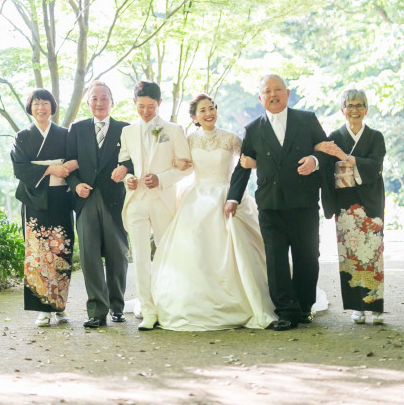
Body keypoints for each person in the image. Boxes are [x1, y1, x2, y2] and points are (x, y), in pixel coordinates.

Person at [151, 93, 276, 331]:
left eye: (212, 108)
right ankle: (194, 300)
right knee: (195, 245)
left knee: (240, 246)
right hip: (197, 197)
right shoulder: (189, 139)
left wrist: (255, 164)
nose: (209, 113)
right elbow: (181, 165)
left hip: (227, 195)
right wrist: (176, 165)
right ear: (195, 117)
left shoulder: (231, 138)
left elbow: (249, 162)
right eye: (203, 110)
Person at [225, 74, 327, 331]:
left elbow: (325, 150)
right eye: (267, 91)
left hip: (304, 202)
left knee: (308, 256)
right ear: (260, 98)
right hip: (270, 204)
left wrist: (314, 161)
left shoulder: (307, 119)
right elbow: (243, 166)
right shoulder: (253, 129)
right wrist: (233, 197)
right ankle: (286, 311)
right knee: (275, 259)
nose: (273, 94)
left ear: (287, 93)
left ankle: (304, 306)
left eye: (278, 89)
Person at [111, 80, 191, 330]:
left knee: (166, 256)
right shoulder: (127, 132)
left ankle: (169, 307)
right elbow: (124, 163)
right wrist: (128, 179)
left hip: (163, 201)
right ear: (134, 103)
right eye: (141, 106)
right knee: (141, 259)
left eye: (151, 106)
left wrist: (162, 179)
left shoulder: (174, 130)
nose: (146, 111)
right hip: (136, 202)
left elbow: (187, 165)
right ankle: (148, 311)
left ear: (160, 104)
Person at [315, 89, 386, 325]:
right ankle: (357, 307)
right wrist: (319, 152)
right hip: (346, 203)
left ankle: (374, 305)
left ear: (366, 109)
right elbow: (325, 165)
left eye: (359, 105)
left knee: (373, 254)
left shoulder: (376, 136)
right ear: (342, 109)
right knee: (350, 255)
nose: (354, 110)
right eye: (349, 105)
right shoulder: (335, 134)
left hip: (371, 201)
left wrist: (346, 157)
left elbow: (375, 166)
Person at [66, 81, 131, 329]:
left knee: (117, 255)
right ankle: (96, 311)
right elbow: (68, 163)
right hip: (86, 199)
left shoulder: (125, 129)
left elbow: (136, 160)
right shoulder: (78, 129)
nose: (99, 103)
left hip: (116, 199)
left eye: (104, 98)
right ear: (88, 103)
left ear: (112, 102)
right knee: (90, 256)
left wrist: (126, 168)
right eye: (94, 98)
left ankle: (117, 308)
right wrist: (75, 185)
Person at [10, 88, 77, 327]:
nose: (41, 108)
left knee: (60, 250)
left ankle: (59, 307)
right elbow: (19, 168)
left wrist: (67, 166)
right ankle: (43, 310)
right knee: (38, 253)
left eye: (45, 103)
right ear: (30, 107)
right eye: (37, 103)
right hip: (34, 198)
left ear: (52, 107)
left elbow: (76, 159)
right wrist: (51, 169)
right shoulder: (22, 136)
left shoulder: (65, 134)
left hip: (60, 196)